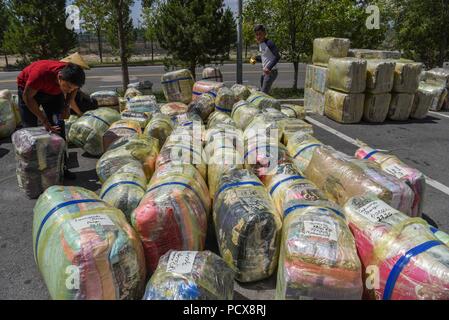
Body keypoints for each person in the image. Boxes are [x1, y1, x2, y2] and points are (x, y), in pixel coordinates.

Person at [17, 60, 86, 180]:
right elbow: (28, 97)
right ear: (59, 77)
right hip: (29, 92)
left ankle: (62, 167)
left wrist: (66, 106)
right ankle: (33, 172)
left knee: (58, 127)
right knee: (30, 132)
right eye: (68, 87)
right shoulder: (40, 74)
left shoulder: (72, 78)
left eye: (73, 88)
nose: (69, 90)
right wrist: (44, 120)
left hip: (53, 93)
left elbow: (73, 89)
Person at [251, 24, 281, 94]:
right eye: (256, 34)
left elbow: (277, 56)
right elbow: (264, 58)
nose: (258, 36)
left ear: (264, 33)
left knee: (263, 93)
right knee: (264, 92)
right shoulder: (261, 44)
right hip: (265, 72)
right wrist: (255, 58)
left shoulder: (269, 43)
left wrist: (269, 67)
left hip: (271, 71)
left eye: (260, 34)